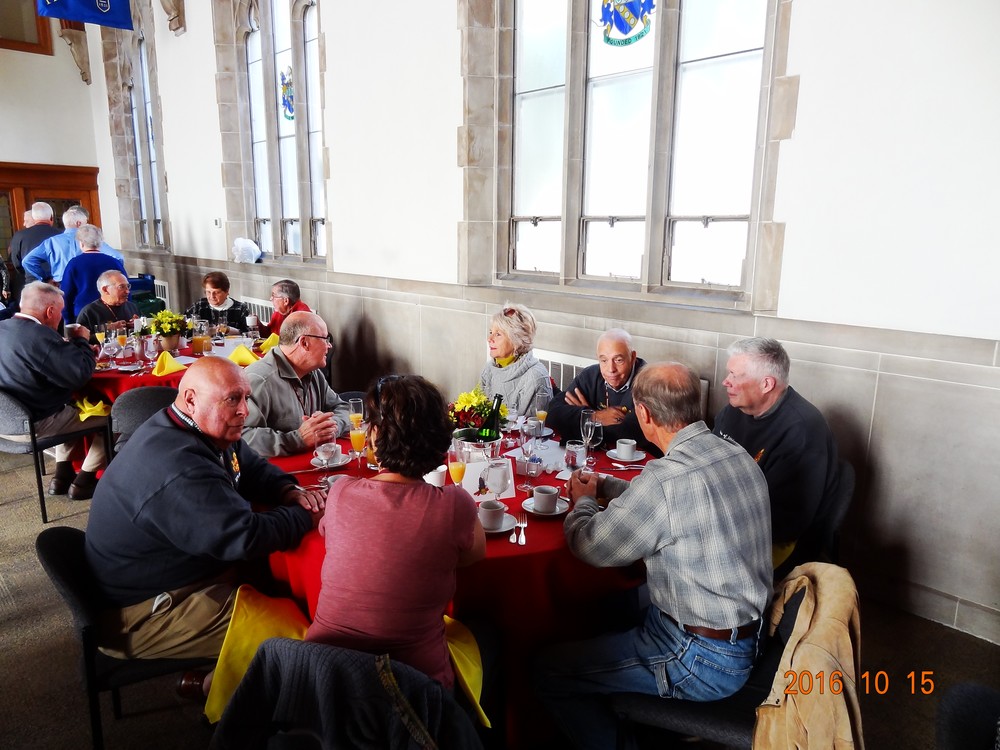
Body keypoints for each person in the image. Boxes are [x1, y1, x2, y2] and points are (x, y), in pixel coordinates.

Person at [536, 362, 772, 750]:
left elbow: (589, 544)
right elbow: (668, 501)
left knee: (548, 669)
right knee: (608, 608)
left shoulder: (666, 479)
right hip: (749, 635)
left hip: (700, 658)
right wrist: (606, 486)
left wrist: (583, 503)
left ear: (643, 414)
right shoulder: (736, 453)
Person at [84, 357, 323, 667]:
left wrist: (287, 490)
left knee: (291, 592)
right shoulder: (177, 464)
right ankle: (217, 689)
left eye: (246, 397)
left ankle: (222, 679)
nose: (245, 410)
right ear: (191, 400)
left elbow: (250, 467)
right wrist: (307, 516)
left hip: (185, 572)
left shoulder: (196, 428)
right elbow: (245, 537)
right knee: (302, 643)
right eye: (232, 399)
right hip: (145, 610)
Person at [306, 374, 486, 689]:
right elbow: (474, 555)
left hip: (324, 678)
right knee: (487, 633)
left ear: (374, 436)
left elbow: (332, 536)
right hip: (413, 690)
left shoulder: (341, 492)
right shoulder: (454, 504)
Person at [712, 337, 839, 570]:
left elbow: (783, 522)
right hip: (729, 516)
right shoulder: (735, 410)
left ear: (766, 384)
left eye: (735, 376)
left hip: (775, 539)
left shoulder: (802, 431)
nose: (725, 382)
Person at [0, 282, 107, 500]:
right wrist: (81, 340)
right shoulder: (39, 335)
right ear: (50, 311)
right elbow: (79, 375)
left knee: (73, 407)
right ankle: (84, 481)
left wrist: (70, 349)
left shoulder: (4, 327)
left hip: (4, 424)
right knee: (115, 417)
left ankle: (62, 475)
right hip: (34, 424)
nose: (60, 317)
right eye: (60, 311)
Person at [242, 311, 351, 456]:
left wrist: (330, 427)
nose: (329, 345)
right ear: (304, 343)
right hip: (276, 468)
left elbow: (343, 408)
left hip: (314, 460)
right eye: (325, 339)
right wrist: (297, 439)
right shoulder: (259, 380)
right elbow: (242, 436)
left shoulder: (313, 372)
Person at [545, 328, 659, 456]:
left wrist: (580, 421)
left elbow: (633, 435)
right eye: (604, 360)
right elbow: (552, 415)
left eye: (618, 360)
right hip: (598, 457)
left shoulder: (650, 383)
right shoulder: (590, 376)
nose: (611, 369)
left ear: (632, 357)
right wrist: (594, 416)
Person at [478, 302, 552, 417]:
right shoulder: (489, 369)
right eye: (491, 332)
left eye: (498, 334)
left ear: (516, 341)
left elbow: (535, 426)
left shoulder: (535, 377)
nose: (489, 338)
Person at [22, 205, 124, 285]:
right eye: (86, 223)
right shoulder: (91, 238)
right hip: (87, 283)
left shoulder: (52, 242)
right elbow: (118, 257)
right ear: (79, 223)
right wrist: (107, 276)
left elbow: (28, 261)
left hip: (60, 285)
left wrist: (46, 278)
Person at [60, 224, 128, 322]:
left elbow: (66, 295)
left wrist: (68, 319)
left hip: (83, 314)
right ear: (100, 243)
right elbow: (125, 288)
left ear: (81, 243)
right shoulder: (114, 262)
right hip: (112, 312)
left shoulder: (74, 264)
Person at [6, 202, 61, 307]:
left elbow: (16, 263)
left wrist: (30, 273)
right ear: (51, 217)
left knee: (35, 312)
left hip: (32, 283)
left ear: (34, 218)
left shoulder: (20, 236)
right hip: (57, 283)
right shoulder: (61, 235)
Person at [76, 270, 140, 343]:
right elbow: (80, 341)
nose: (127, 291)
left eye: (127, 286)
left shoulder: (132, 306)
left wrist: (138, 325)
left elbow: (142, 334)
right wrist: (108, 330)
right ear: (105, 290)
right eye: (121, 287)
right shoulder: (89, 312)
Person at [185, 271, 252, 332]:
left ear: (227, 291)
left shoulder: (241, 308)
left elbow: (249, 333)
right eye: (208, 292)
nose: (212, 296)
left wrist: (230, 330)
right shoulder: (199, 306)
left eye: (216, 292)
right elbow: (183, 327)